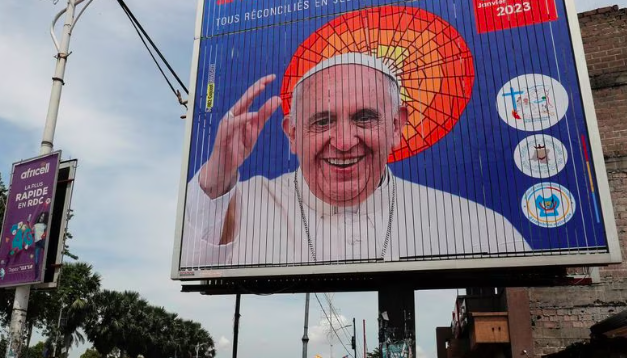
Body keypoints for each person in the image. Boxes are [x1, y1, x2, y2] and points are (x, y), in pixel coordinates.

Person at [182, 53, 529, 267]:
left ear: (396, 126)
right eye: (322, 121)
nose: (345, 142)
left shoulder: (478, 226)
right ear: (291, 135)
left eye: (364, 118)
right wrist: (217, 177)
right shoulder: (248, 202)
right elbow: (191, 264)